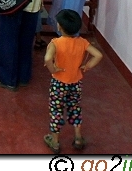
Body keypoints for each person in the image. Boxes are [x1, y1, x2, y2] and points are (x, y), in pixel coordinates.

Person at [43, 9, 103, 154]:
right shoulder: (82, 42)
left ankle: (55, 141)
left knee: (56, 111)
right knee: (74, 108)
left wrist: (53, 69)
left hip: (59, 84)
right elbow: (98, 55)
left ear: (60, 27)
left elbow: (47, 59)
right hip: (75, 83)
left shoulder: (55, 43)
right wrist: (87, 66)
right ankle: (77, 138)